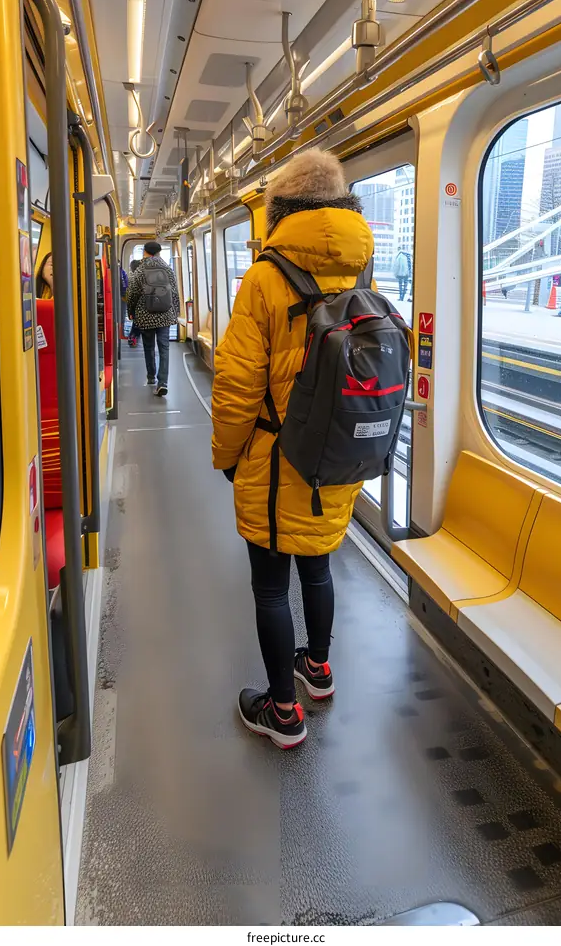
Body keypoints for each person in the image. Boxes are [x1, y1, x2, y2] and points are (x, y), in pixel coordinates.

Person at [211, 150, 374, 748]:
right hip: (338, 453)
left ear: (281, 208)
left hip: (276, 457)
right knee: (320, 565)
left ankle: (282, 713)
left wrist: (227, 457)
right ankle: (319, 670)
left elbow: (236, 386)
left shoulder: (264, 277)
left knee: (270, 587)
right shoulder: (361, 267)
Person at [126, 241, 179, 395]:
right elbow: (174, 292)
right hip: (165, 314)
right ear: (158, 252)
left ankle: (151, 377)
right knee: (164, 348)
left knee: (148, 347)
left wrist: (131, 311)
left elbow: (133, 292)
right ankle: (163, 382)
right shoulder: (167, 269)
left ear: (145, 252)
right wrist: (175, 312)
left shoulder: (141, 269)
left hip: (146, 314)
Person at [127, 260, 142, 347]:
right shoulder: (143, 277)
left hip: (135, 307)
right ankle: (132, 337)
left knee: (136, 324)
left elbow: (130, 298)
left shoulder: (132, 279)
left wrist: (130, 312)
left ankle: (132, 337)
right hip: (143, 308)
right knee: (137, 326)